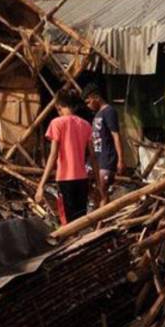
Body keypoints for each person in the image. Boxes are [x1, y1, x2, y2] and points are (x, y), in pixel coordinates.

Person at [35, 89, 102, 224]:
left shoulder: (57, 123)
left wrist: (41, 185)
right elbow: (93, 157)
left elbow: (53, 155)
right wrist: (99, 183)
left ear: (59, 105)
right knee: (80, 220)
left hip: (65, 179)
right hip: (82, 179)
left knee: (67, 222)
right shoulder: (86, 125)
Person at [81, 84, 124, 206]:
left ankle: (101, 222)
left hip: (107, 158)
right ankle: (96, 214)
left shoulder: (109, 111)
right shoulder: (97, 114)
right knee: (87, 184)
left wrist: (120, 160)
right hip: (95, 159)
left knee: (103, 190)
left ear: (95, 97)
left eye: (88, 102)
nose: (88, 106)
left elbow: (116, 135)